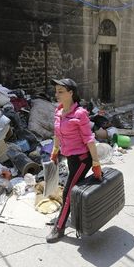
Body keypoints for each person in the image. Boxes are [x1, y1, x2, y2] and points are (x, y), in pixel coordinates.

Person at [46, 78, 102, 243]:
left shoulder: (80, 114)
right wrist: (55, 151)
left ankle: (59, 228)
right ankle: (71, 214)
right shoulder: (59, 111)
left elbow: (89, 139)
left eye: (61, 91)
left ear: (71, 93)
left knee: (68, 191)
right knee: (73, 188)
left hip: (82, 159)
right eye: (56, 91)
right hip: (70, 157)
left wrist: (96, 163)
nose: (57, 94)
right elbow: (57, 134)